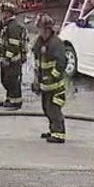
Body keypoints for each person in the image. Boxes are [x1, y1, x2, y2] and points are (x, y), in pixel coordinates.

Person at [30, 14, 68, 143]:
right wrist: (37, 80)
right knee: (46, 108)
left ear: (47, 29)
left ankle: (59, 134)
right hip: (45, 85)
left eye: (40, 28)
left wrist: (52, 76)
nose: (39, 31)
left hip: (56, 86)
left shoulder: (56, 43)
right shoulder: (39, 42)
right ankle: (53, 130)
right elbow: (37, 60)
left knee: (54, 108)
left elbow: (62, 63)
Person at [0, 4, 27, 108]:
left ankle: (16, 101)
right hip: (4, 58)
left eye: (5, 12)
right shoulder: (5, 25)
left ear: (9, 13)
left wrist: (8, 58)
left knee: (12, 80)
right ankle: (9, 98)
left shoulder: (13, 26)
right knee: (5, 80)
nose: (3, 14)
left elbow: (14, 45)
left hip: (12, 60)